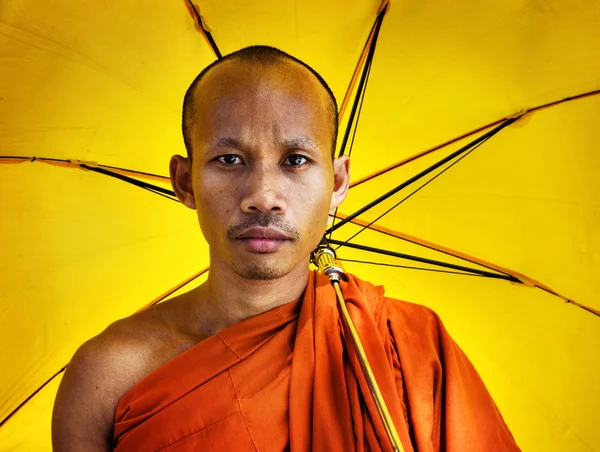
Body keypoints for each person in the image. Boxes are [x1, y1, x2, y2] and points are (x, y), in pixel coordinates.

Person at [52, 45, 520, 451]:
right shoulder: (107, 377)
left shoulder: (410, 351)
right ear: (184, 180)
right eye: (229, 159)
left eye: (295, 161)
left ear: (336, 182)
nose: (263, 195)